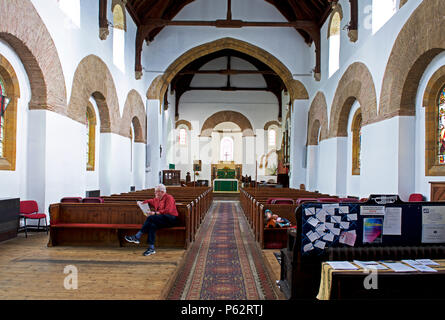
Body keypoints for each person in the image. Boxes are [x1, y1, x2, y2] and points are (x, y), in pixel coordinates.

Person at [125, 184, 178, 256]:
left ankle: (137, 236)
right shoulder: (156, 199)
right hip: (162, 220)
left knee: (151, 218)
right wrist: (140, 203)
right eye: (155, 191)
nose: (155, 193)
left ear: (162, 192)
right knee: (152, 226)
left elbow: (168, 210)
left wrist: (155, 213)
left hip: (171, 219)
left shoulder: (169, 197)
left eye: (156, 192)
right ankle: (151, 248)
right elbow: (148, 201)